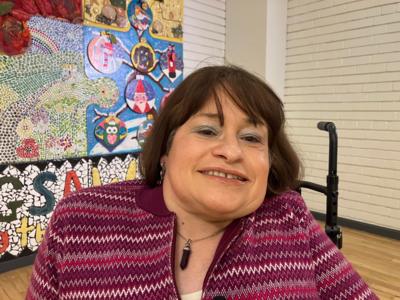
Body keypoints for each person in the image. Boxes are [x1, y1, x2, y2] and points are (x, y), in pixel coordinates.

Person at [27, 65, 378, 299]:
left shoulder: (290, 219)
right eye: (208, 130)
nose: (231, 151)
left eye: (252, 138)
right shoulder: (78, 221)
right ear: (166, 149)